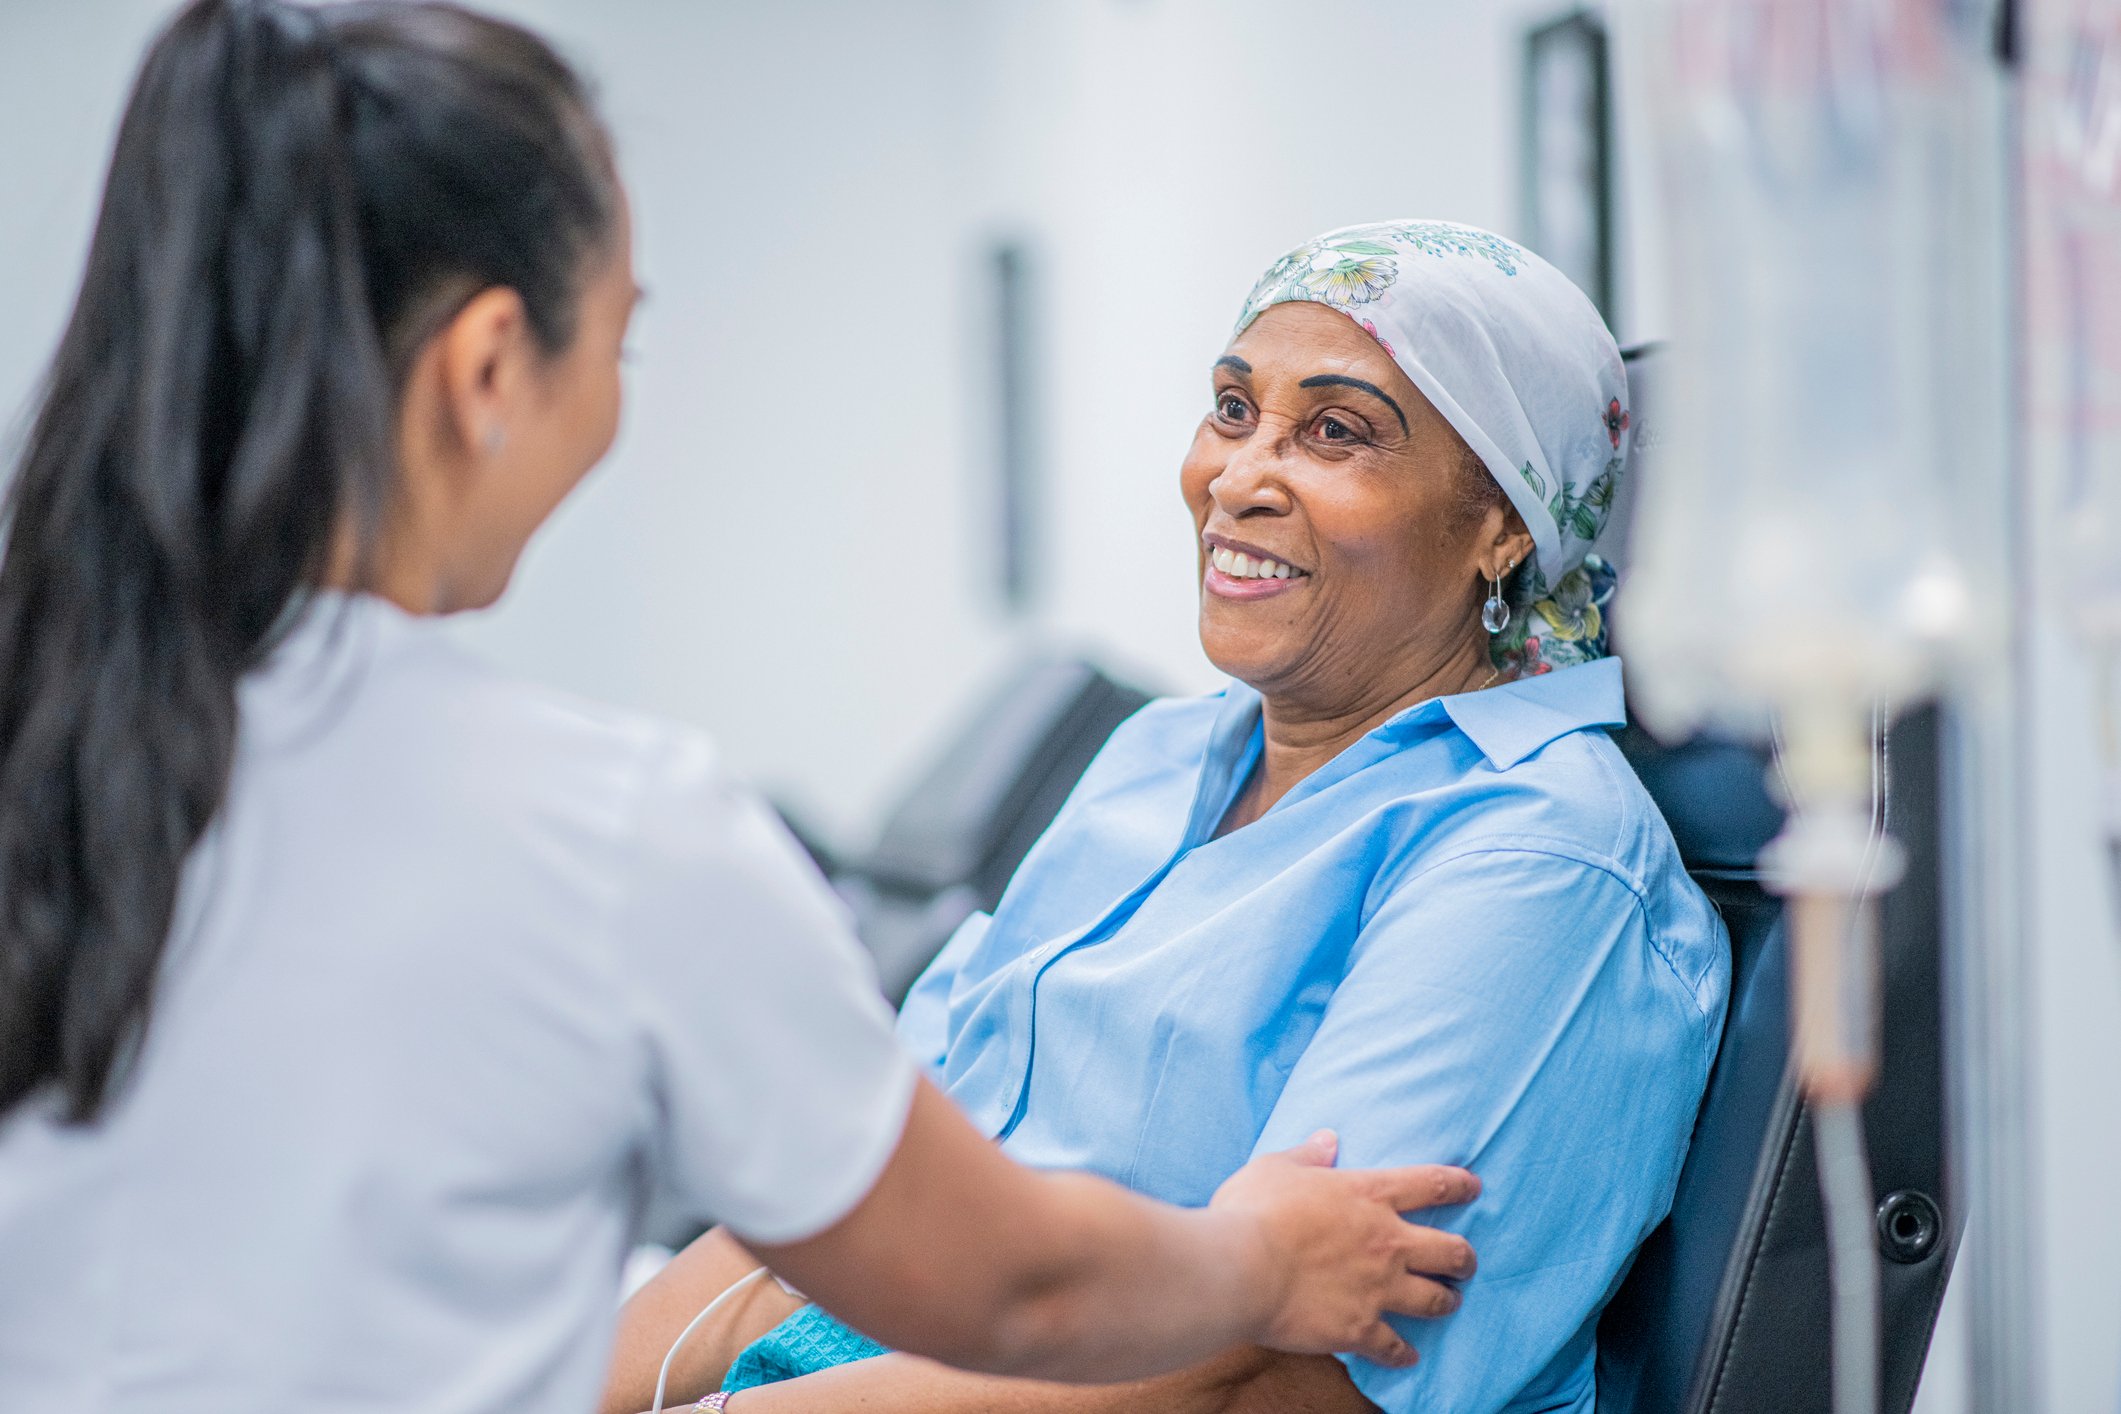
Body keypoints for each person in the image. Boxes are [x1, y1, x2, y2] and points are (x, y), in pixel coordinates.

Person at [0, 12, 1487, 1411]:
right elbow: (1017, 1282)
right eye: (618, 342)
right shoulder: (602, 828)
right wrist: (1270, 1257)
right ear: (488, 369)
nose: (1243, 473)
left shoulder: (48, 732)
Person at [608, 222, 1731, 1414]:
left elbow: (1259, 1375)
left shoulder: (1535, 854)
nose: (1240, 476)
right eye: (1234, 409)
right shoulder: (1156, 756)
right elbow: (866, 1181)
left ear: (1504, 524)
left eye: (1336, 431)